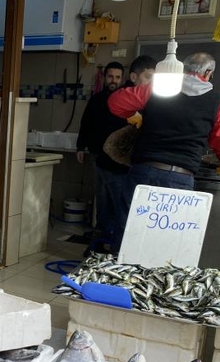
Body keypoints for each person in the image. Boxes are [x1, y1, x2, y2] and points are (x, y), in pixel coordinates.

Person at [107, 52, 220, 248]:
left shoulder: (158, 89)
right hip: (180, 178)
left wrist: (133, 114)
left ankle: (119, 275)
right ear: (209, 72)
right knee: (166, 240)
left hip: (144, 172)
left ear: (183, 69)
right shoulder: (215, 101)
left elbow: (115, 102)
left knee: (130, 231)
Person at [75, 61, 128, 253]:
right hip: (98, 155)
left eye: (117, 77)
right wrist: (80, 147)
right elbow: (85, 124)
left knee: (118, 200)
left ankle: (115, 243)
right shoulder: (96, 100)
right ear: (105, 77)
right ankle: (103, 239)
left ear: (123, 79)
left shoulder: (128, 100)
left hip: (120, 161)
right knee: (102, 198)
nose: (113, 80)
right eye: (110, 76)